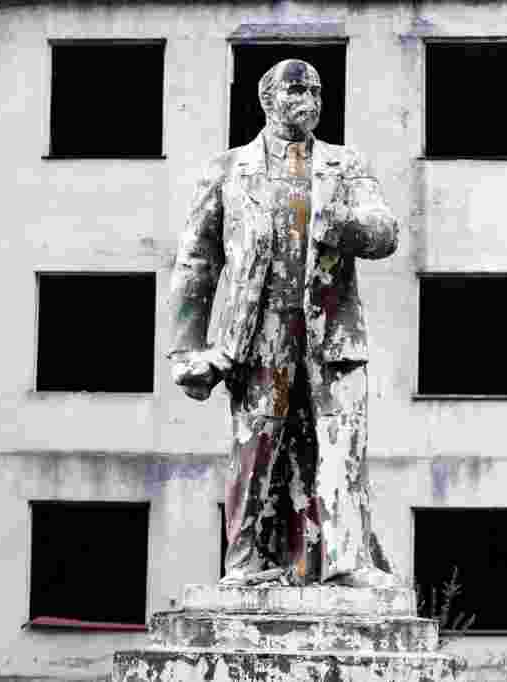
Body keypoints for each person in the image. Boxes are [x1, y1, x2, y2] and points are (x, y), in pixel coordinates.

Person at [168, 59, 399, 588]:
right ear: (267, 99)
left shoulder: (345, 165)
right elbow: (197, 262)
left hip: (333, 335)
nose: (310, 101)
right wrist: (187, 351)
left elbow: (385, 232)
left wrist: (340, 223)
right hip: (259, 334)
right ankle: (245, 562)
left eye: (316, 91)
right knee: (256, 447)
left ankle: (348, 563)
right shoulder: (228, 170)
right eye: (297, 90)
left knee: (343, 443)